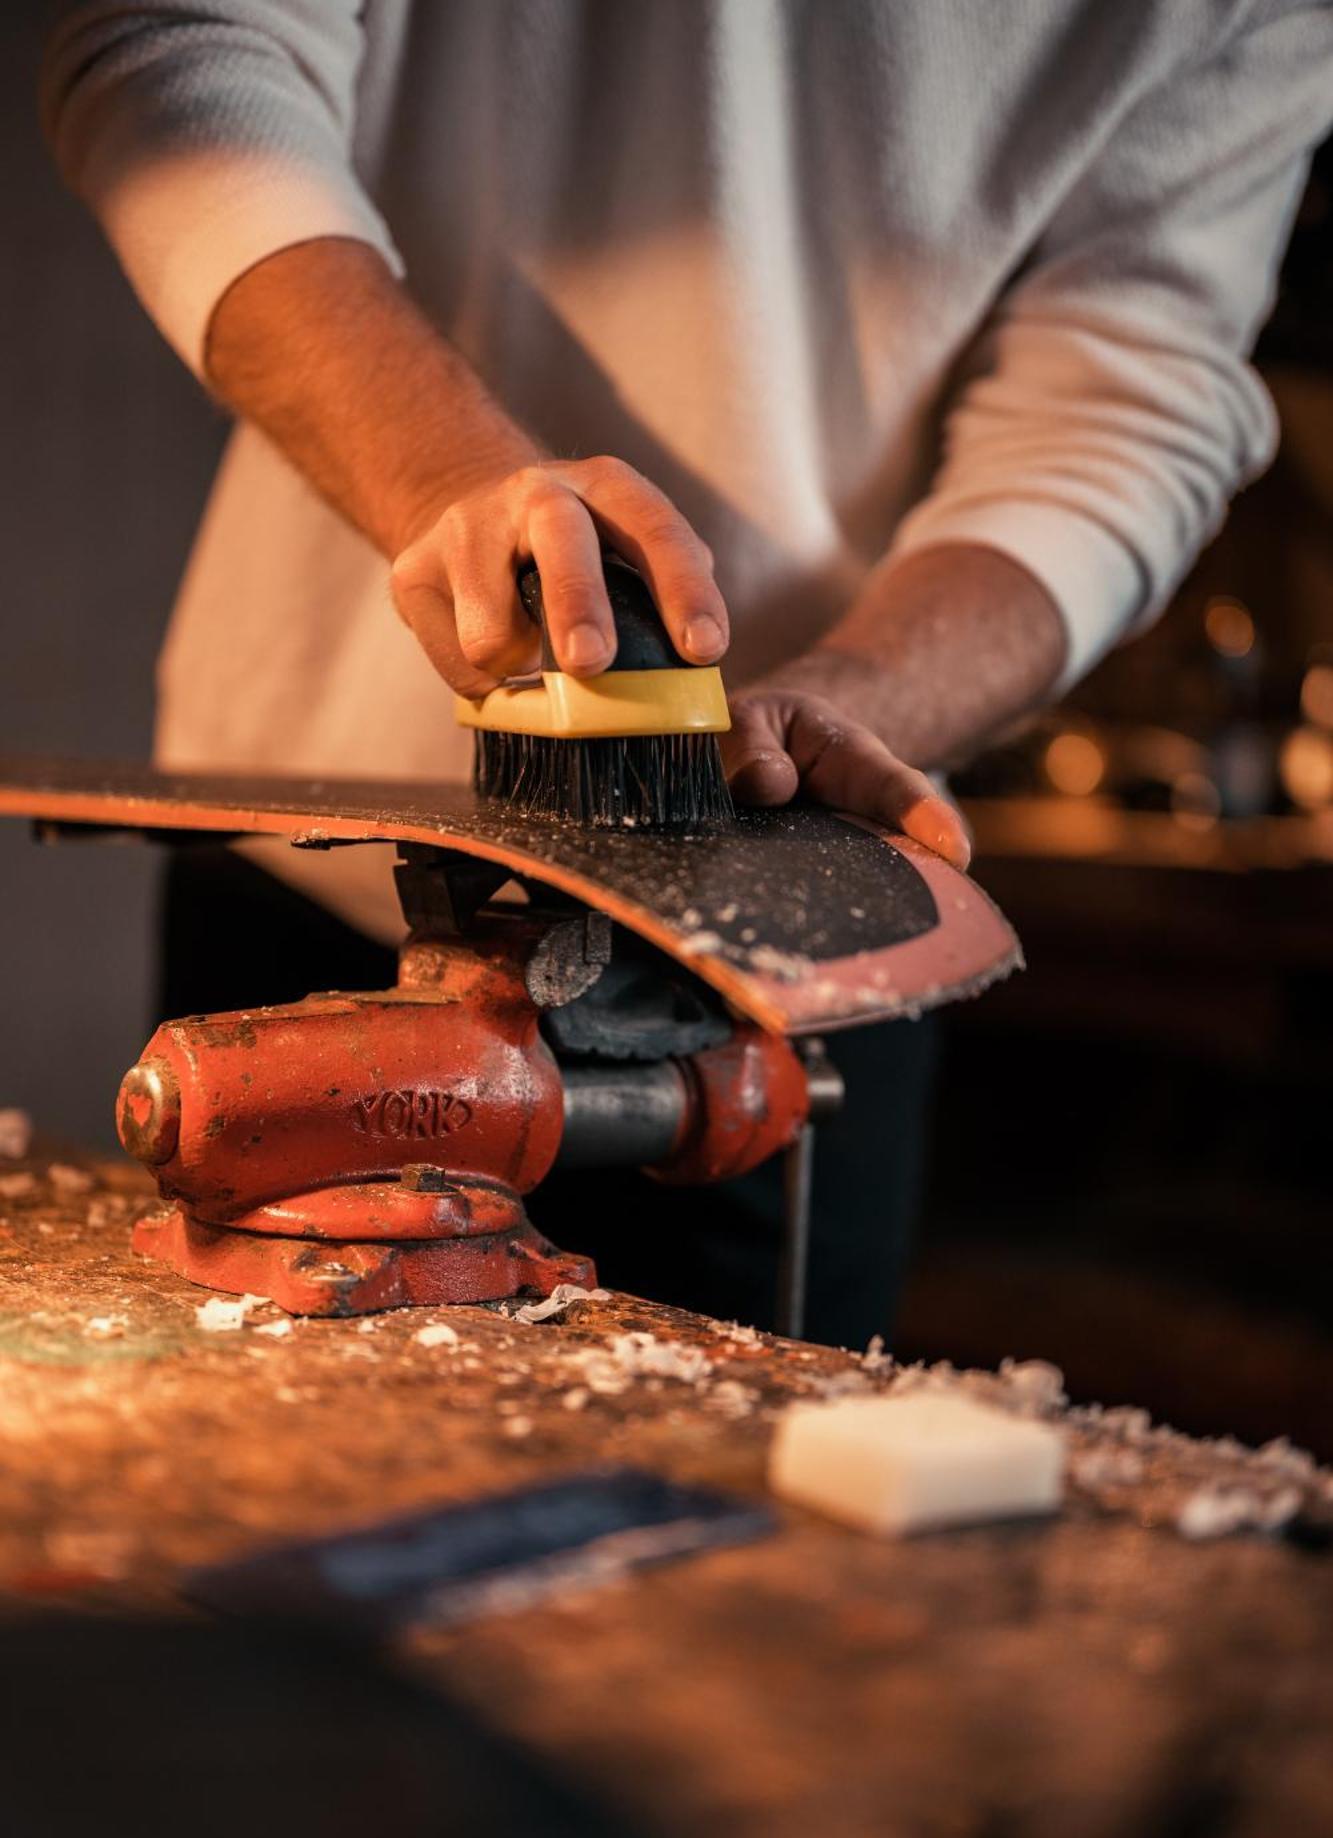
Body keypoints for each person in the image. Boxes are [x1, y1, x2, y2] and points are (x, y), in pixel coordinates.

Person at [41, 1, 1333, 1342]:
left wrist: (856, 705)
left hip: (791, 929)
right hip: (311, 859)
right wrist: (447, 479)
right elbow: (180, 47)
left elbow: (1128, 402)